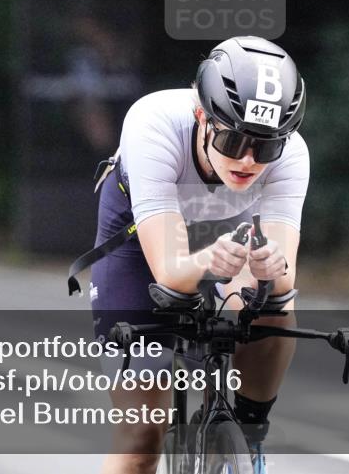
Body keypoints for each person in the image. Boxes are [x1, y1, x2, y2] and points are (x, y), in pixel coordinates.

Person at [88, 36, 308, 474]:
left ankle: (249, 434)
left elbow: (282, 277)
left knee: (275, 306)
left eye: (264, 147)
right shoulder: (152, 123)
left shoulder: (291, 153)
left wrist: (266, 275)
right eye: (232, 141)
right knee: (140, 440)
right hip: (141, 241)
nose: (247, 160)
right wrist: (206, 262)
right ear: (200, 117)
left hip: (232, 237)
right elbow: (170, 273)